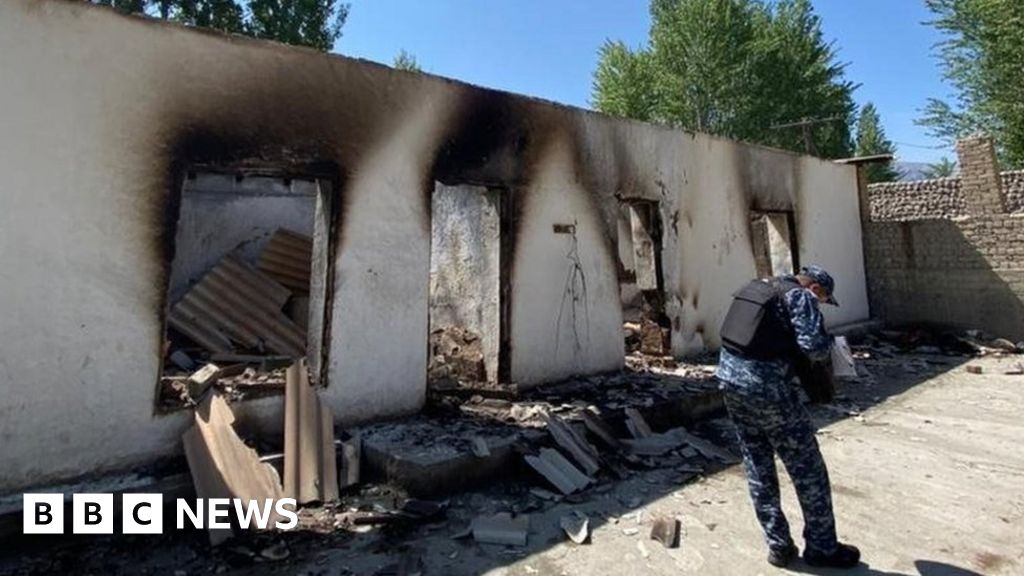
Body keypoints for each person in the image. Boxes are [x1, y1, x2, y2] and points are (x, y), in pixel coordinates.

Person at [716, 265, 860, 569]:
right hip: (769, 391)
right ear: (817, 289)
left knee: (758, 466)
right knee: (808, 467)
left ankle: (778, 546)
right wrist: (830, 345)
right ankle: (822, 547)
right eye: (823, 299)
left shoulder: (756, 287)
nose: (819, 303)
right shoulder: (800, 297)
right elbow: (815, 350)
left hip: (730, 385)